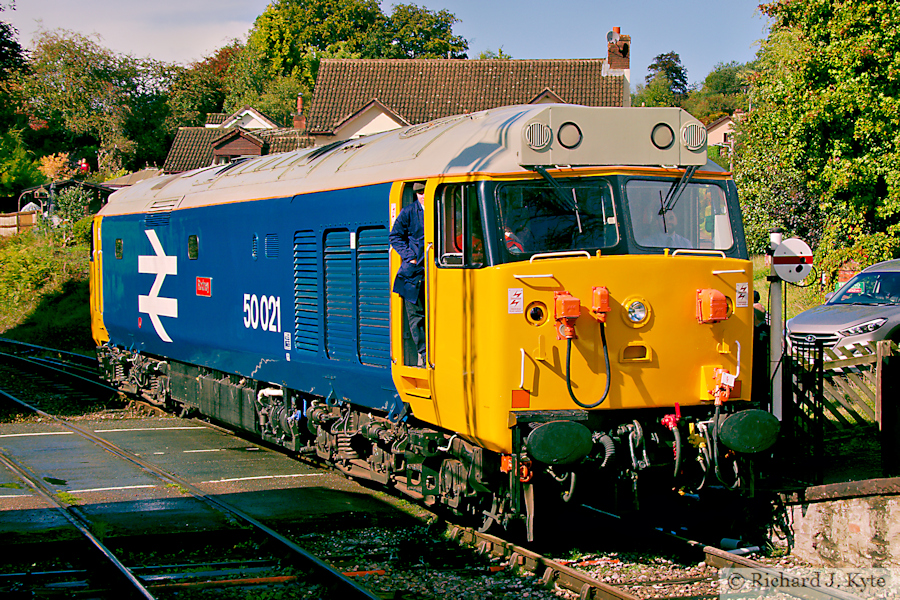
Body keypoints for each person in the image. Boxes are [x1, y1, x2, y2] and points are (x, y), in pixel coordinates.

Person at [389, 182, 427, 367]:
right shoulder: (408, 212)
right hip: (413, 274)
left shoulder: (443, 209)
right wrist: (410, 256)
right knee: (416, 316)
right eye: (420, 193)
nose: (423, 195)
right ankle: (425, 354)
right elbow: (394, 236)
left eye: (425, 191)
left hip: (432, 270)